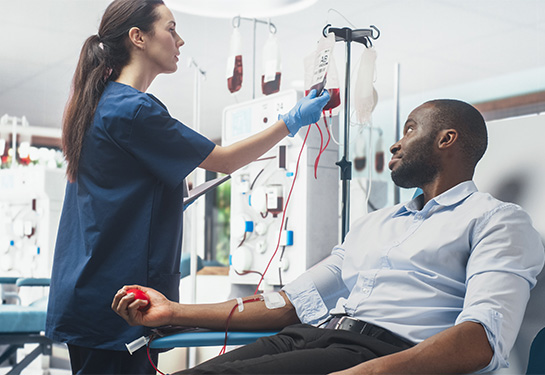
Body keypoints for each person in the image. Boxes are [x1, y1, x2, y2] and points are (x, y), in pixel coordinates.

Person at [112, 98, 545, 375]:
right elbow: (290, 303)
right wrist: (173, 312)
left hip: (380, 355)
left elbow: (481, 340)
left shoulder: (498, 221)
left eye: (410, 129)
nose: (395, 144)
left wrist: (373, 373)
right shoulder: (375, 224)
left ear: (447, 139)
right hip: (313, 337)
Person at [44, 0, 330, 374]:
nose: (181, 40)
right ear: (138, 38)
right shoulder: (135, 109)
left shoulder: (101, 103)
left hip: (89, 288)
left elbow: (110, 199)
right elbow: (224, 160)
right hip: (119, 300)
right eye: (171, 29)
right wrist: (289, 123)